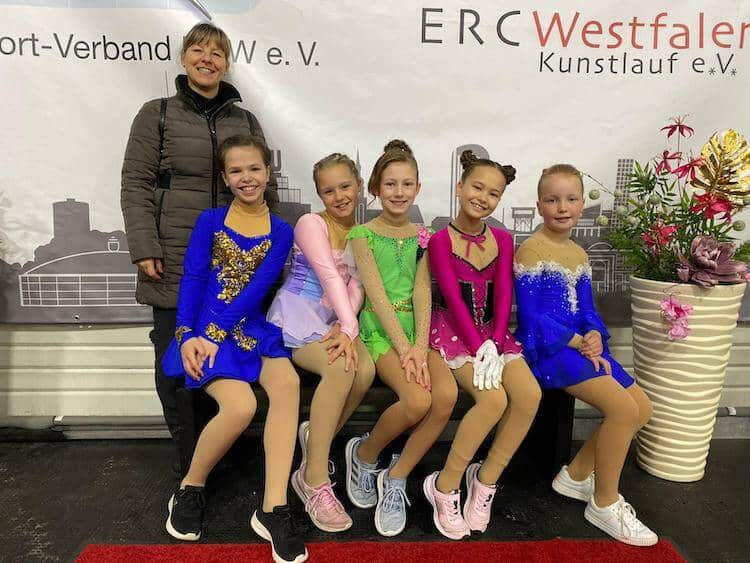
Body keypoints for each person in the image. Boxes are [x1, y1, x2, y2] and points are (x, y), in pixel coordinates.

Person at [121, 22, 277, 472]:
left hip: (233, 261)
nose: (207, 59)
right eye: (198, 50)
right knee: (175, 358)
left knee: (222, 351)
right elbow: (135, 183)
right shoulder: (157, 114)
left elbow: (263, 186)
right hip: (172, 252)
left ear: (226, 63)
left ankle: (215, 449)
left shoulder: (244, 120)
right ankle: (189, 461)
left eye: (217, 52)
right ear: (184, 57)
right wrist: (144, 245)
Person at [161, 135, 307, 563]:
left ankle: (274, 508)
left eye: (254, 168)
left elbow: (256, 291)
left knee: (287, 382)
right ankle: (190, 487)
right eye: (236, 170)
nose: (247, 177)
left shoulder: (281, 231)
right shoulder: (210, 221)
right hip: (201, 331)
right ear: (225, 178)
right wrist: (187, 335)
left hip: (248, 329)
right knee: (241, 406)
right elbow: (192, 279)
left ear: (268, 172)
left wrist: (215, 333)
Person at [514, 164, 657, 547]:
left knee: (642, 408)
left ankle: (576, 475)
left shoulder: (578, 253)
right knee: (623, 410)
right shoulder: (531, 250)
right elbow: (531, 317)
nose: (562, 207)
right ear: (539, 205)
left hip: (579, 344)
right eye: (552, 199)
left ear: (581, 204)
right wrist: (577, 341)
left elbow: (587, 308)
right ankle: (604, 503)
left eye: (571, 199)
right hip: (549, 350)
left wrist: (594, 334)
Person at [422, 150, 541, 539]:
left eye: (494, 193)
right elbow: (452, 300)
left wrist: (495, 342)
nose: (484, 198)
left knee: (529, 395)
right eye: (477, 187)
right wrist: (478, 347)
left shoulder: (503, 239)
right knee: (493, 400)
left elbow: (504, 291)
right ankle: (445, 485)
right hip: (455, 334)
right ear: (459, 187)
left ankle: (485, 481)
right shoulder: (440, 240)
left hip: (494, 333)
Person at [344, 140, 458, 537]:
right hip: (381, 330)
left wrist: (420, 347)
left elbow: (423, 290)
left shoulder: (425, 236)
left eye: (407, 184)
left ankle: (396, 476)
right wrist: (404, 348)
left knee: (446, 396)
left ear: (418, 188)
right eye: (390, 184)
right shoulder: (362, 233)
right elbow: (376, 296)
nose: (399, 192)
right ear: (376, 187)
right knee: (417, 400)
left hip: (419, 333)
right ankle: (365, 453)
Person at [267, 153, 376, 532]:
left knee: (365, 370)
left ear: (358, 186)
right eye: (329, 191)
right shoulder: (310, 224)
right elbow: (329, 276)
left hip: (338, 320)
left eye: (345, 187)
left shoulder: (362, 233)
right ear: (319, 194)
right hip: (300, 313)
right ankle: (313, 479)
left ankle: (316, 437)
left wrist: (347, 328)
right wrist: (347, 328)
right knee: (342, 365)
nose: (339, 196)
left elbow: (357, 285)